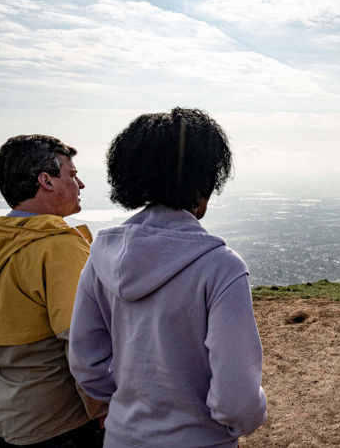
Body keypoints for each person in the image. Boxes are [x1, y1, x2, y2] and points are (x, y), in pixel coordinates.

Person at [68, 108, 267, 447]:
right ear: (204, 182)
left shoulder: (100, 255)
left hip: (121, 437)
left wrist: (128, 406)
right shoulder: (221, 267)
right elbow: (238, 398)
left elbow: (85, 362)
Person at [0, 135, 106, 447]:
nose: (81, 185)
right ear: (45, 180)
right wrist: (104, 408)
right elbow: (82, 339)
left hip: (8, 417)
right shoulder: (57, 246)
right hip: (60, 424)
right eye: (72, 175)